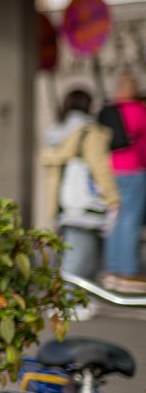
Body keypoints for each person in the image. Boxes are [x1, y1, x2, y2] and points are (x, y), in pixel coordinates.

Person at [41, 88, 120, 283]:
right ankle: (65, 307)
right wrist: (113, 198)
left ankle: (68, 304)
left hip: (65, 205)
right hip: (87, 205)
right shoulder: (87, 132)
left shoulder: (57, 132)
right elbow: (100, 167)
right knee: (80, 263)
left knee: (73, 258)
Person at [103, 74, 146, 293]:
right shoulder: (139, 111)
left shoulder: (109, 110)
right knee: (130, 221)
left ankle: (111, 270)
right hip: (134, 170)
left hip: (110, 170)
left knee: (114, 219)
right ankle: (127, 273)